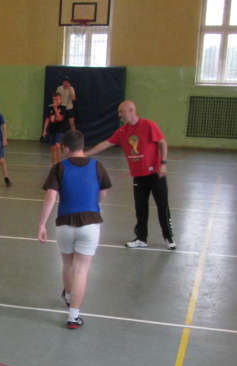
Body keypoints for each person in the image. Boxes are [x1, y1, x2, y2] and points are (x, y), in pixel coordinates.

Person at [37, 130, 112, 329]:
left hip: (65, 223)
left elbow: (51, 197)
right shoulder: (97, 166)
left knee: (67, 265)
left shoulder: (59, 167)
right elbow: (104, 191)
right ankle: (73, 316)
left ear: (65, 148)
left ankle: (69, 297)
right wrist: (95, 202)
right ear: (82, 146)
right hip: (90, 223)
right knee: (81, 270)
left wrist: (42, 224)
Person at [87, 100, 176, 250]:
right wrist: (85, 154)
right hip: (139, 176)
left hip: (156, 174)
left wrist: (164, 163)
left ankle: (169, 237)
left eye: (121, 112)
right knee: (140, 208)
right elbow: (106, 144)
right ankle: (141, 238)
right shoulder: (122, 131)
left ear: (131, 110)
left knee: (162, 206)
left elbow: (163, 143)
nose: (119, 115)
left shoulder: (148, 125)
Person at [42, 92, 71, 165]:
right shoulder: (50, 108)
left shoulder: (63, 108)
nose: (55, 101)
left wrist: (55, 109)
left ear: (61, 100)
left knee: (57, 146)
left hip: (60, 130)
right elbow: (47, 119)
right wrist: (44, 130)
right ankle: (54, 164)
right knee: (52, 148)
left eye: (57, 99)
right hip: (52, 130)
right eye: (54, 100)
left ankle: (59, 163)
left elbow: (60, 118)